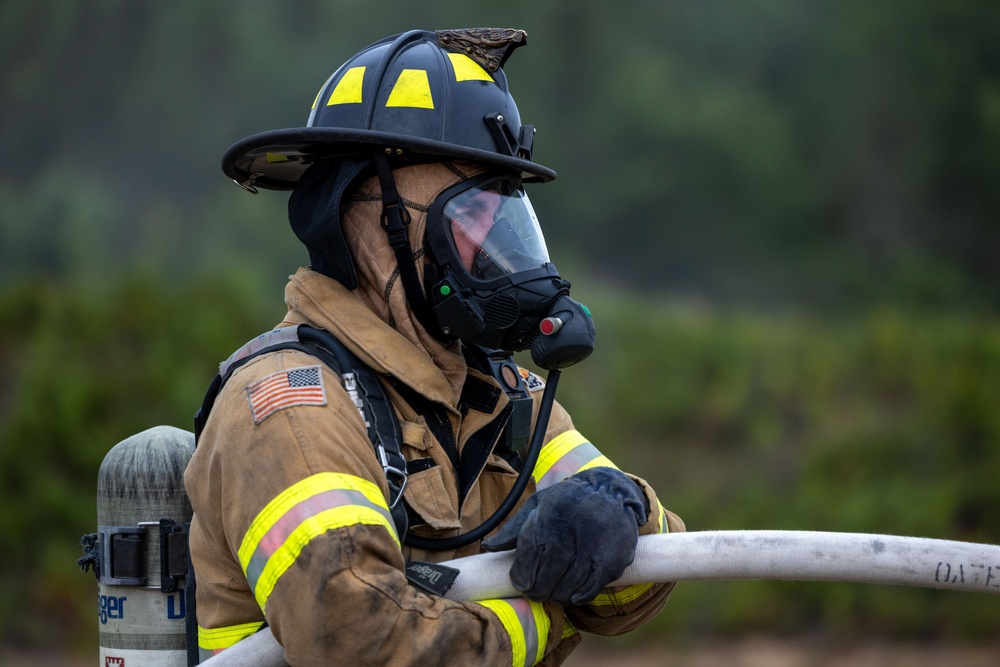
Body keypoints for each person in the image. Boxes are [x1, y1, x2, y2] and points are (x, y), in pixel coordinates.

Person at [184, 28, 684, 667]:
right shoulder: (289, 408)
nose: (494, 241)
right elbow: (365, 641)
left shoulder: (497, 395)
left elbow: (644, 585)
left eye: (503, 211)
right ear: (368, 218)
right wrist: (548, 624)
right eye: (469, 211)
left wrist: (623, 506)